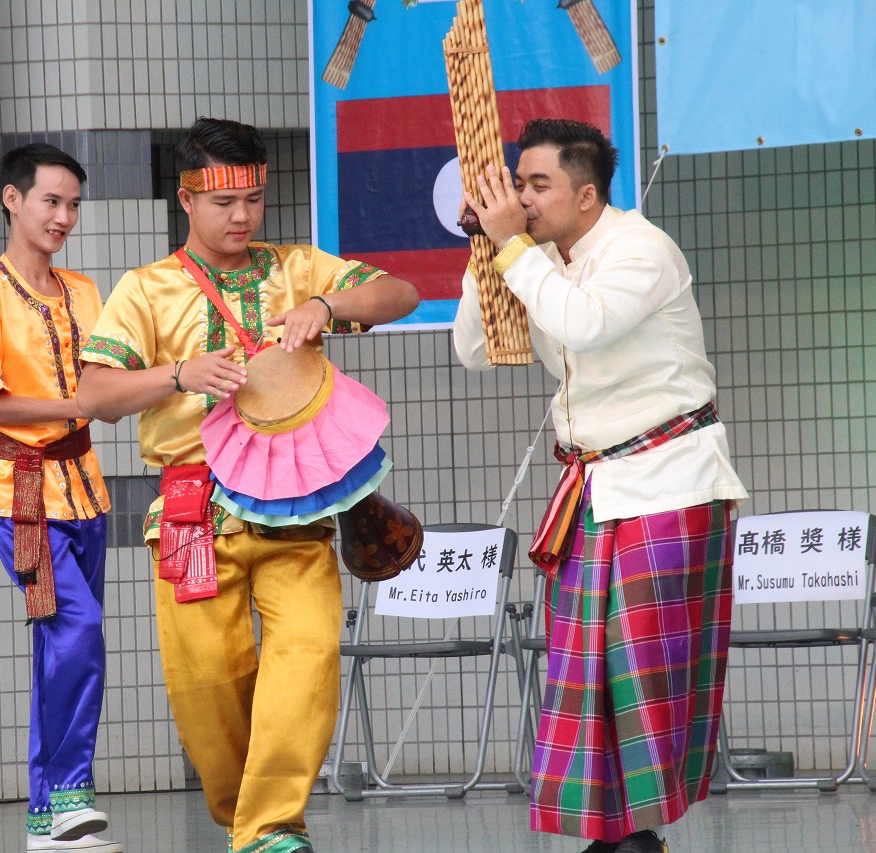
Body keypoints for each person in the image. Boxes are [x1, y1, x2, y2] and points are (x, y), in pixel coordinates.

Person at [76, 117, 419, 853]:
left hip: (300, 514)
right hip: (194, 513)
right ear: (186, 198)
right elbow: (93, 395)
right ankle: (248, 819)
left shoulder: (296, 269)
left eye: (254, 200)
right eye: (225, 201)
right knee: (208, 692)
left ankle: (270, 829)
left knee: (308, 661)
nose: (242, 216)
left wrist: (327, 306)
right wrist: (179, 374)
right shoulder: (147, 290)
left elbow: (399, 293)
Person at [453, 118, 748, 853]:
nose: (521, 196)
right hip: (595, 487)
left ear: (586, 195)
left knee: (641, 665)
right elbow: (472, 350)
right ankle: (617, 837)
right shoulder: (542, 258)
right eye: (517, 183)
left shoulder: (639, 249)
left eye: (537, 184)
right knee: (583, 667)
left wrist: (514, 247)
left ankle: (640, 828)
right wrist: (481, 251)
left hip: (669, 481)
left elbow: (581, 324)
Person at [0, 144, 121, 853]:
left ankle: (48, 818)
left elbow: (116, 374)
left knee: (65, 643)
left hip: (86, 488)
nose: (64, 216)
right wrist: (77, 401)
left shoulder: (84, 290)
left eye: (73, 204)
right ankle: (69, 791)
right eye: (51, 201)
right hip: (20, 491)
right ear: (12, 200)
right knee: (75, 629)